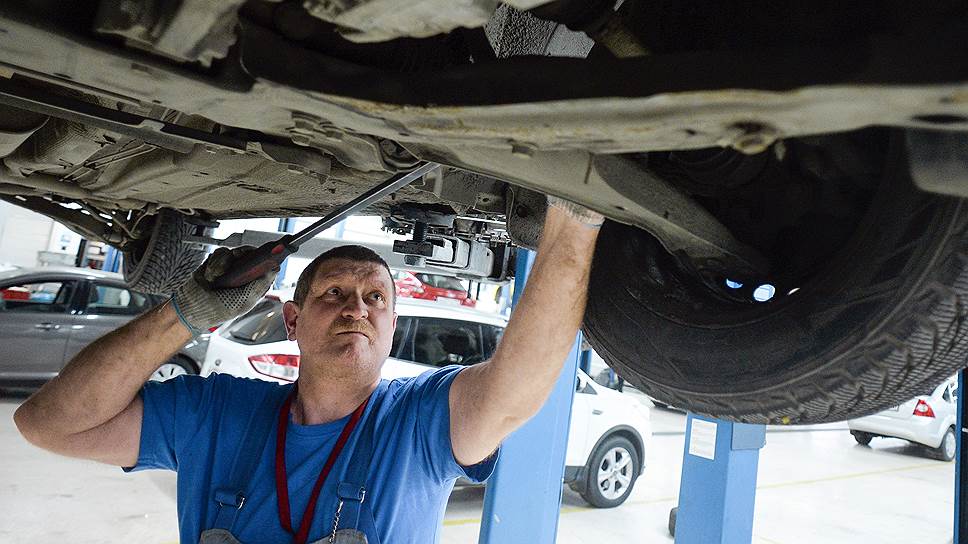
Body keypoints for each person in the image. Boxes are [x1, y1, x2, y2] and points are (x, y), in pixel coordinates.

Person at [13, 197, 604, 543]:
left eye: (376, 298)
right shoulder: (215, 413)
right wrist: (185, 313)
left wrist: (576, 209)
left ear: (392, 326)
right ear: (292, 320)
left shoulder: (419, 422)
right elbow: (48, 424)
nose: (357, 309)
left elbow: (514, 390)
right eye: (334, 293)